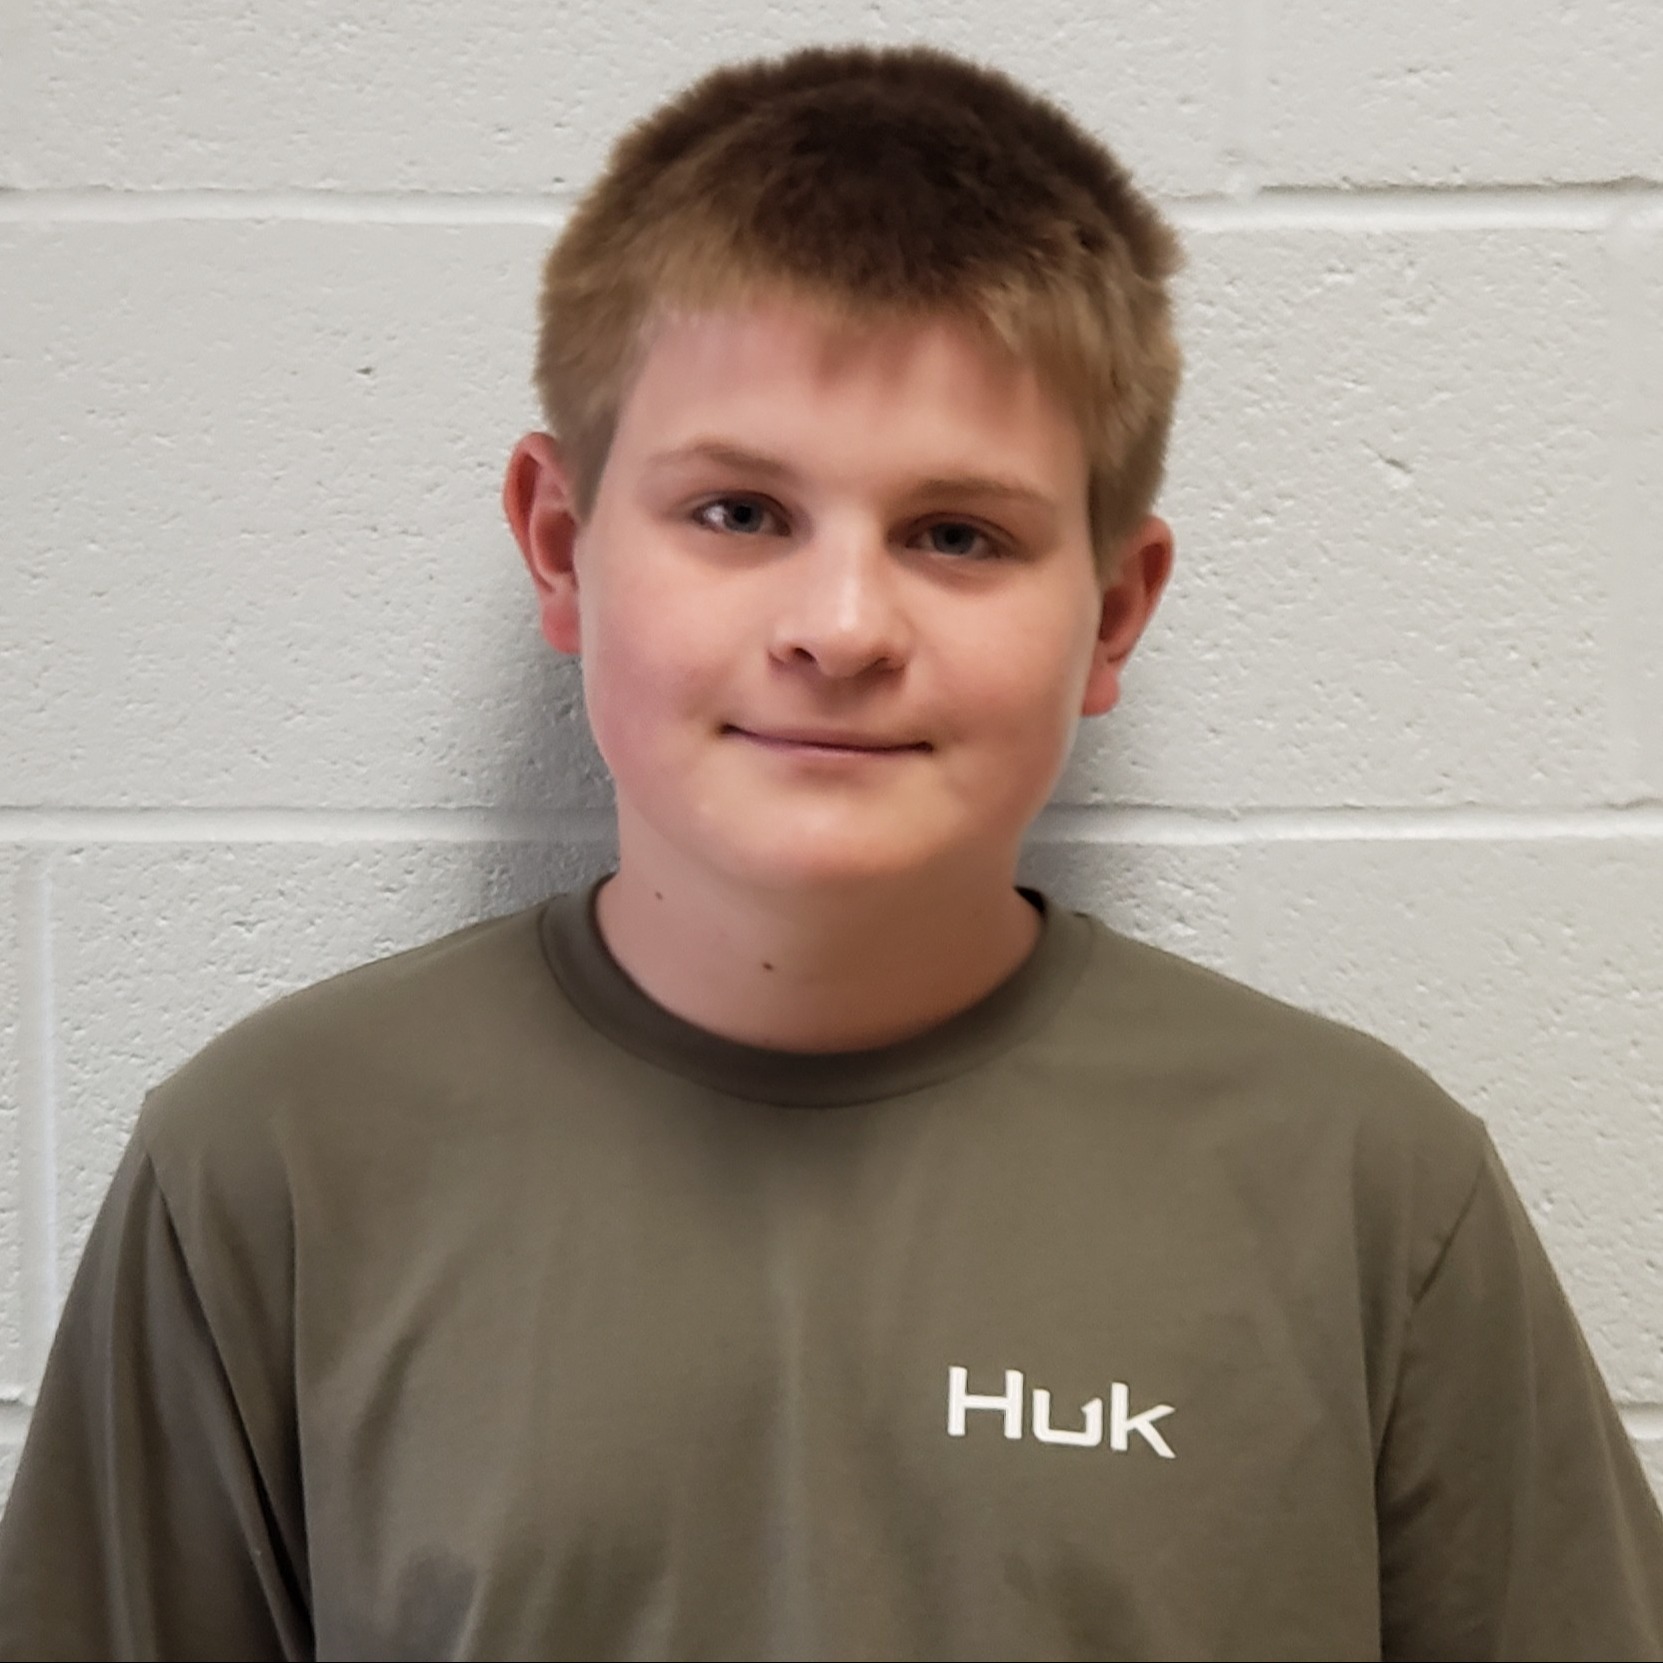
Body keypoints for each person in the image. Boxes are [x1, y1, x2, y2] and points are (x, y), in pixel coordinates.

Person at [0, 41, 1659, 1662]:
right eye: (739, 513)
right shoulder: (274, 1166)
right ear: (564, 547)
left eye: (957, 534)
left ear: (1114, 611)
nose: (843, 627)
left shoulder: (1365, 1189)